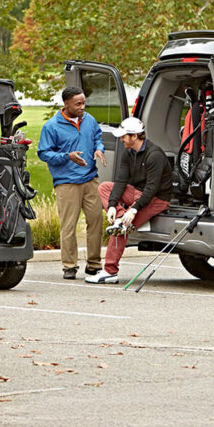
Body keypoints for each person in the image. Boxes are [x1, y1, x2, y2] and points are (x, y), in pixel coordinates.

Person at [87, 117, 174, 285]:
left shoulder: (154, 155)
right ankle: (120, 218)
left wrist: (133, 210)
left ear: (134, 136)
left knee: (120, 228)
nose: (121, 139)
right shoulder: (129, 152)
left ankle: (110, 272)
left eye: (124, 136)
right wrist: (112, 206)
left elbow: (152, 188)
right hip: (136, 193)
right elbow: (120, 181)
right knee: (105, 187)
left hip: (156, 199)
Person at [37, 87, 107, 280]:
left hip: (90, 179)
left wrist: (99, 149)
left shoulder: (89, 120)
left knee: (96, 221)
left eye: (83, 102)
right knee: (68, 225)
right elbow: (43, 153)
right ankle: (69, 266)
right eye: (78, 104)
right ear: (66, 104)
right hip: (67, 182)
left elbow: (97, 138)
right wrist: (67, 157)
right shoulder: (52, 126)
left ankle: (94, 264)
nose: (82, 107)